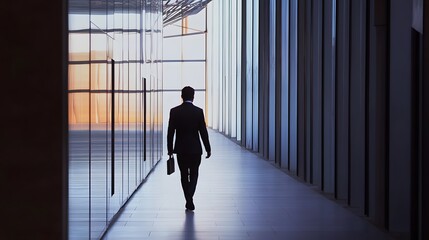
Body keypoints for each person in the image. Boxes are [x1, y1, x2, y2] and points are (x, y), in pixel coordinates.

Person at [167, 86, 211, 211]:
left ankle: (188, 199)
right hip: (195, 150)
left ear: (182, 96)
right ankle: (190, 197)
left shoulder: (174, 111)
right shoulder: (198, 111)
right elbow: (203, 132)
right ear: (193, 96)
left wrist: (170, 149)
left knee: (183, 174)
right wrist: (208, 148)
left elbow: (170, 132)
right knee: (194, 174)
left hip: (181, 150)